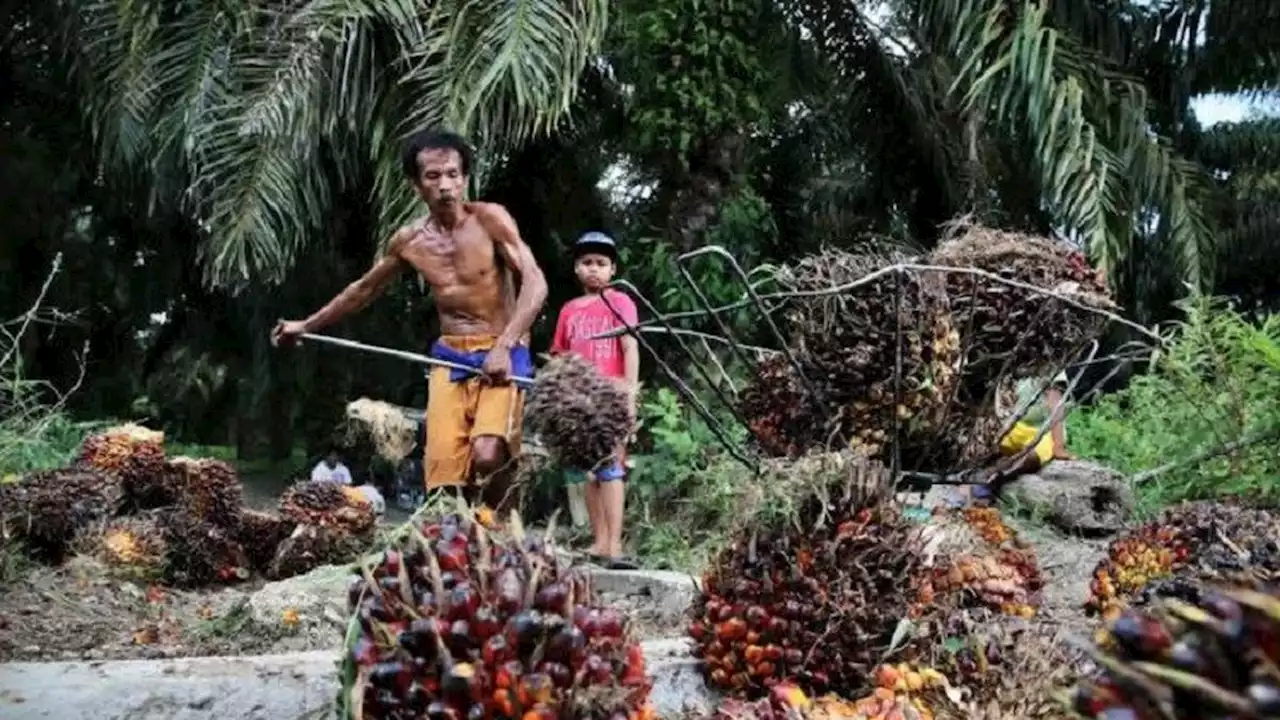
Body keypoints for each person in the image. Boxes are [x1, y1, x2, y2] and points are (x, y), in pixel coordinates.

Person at [272, 130, 548, 514]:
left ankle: (503, 521)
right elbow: (362, 291)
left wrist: (505, 345)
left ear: (465, 177)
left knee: (488, 452)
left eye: (453, 174)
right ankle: (471, 537)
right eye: (433, 176)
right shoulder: (411, 241)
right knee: (448, 475)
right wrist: (307, 325)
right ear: (417, 184)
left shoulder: (490, 220)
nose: (445, 185)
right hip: (451, 357)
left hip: (503, 349)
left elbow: (535, 283)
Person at [550, 232, 641, 570]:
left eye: (601, 264)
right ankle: (599, 541)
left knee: (611, 468)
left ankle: (616, 545)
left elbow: (630, 347)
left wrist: (630, 394)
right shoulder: (569, 310)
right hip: (579, 401)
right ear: (576, 268)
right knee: (589, 473)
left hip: (611, 397)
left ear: (612, 270)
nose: (594, 270)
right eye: (587, 263)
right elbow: (560, 357)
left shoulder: (620, 302)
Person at [972, 370, 1073, 503]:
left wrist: (1058, 446)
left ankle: (994, 479)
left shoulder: (1052, 362)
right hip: (1012, 424)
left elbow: (1056, 406)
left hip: (1042, 430)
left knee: (1032, 457)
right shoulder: (1013, 360)